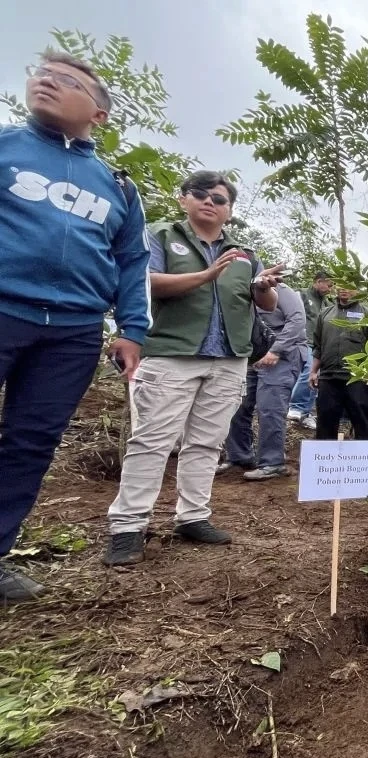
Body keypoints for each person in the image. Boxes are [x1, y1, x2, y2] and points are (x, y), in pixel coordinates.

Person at [0, 53, 150, 600]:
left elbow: (132, 262)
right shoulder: (7, 147)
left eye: (66, 81)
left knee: (31, 440)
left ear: (100, 112)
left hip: (73, 329)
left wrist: (132, 328)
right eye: (40, 75)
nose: (45, 82)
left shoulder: (116, 185)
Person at [104, 170, 283, 566]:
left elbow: (266, 306)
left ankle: (193, 516)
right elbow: (142, 282)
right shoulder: (160, 236)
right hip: (171, 354)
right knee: (152, 441)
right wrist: (205, 275)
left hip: (228, 359)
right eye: (200, 194)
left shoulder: (243, 254)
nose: (210, 202)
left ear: (229, 210)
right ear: (183, 198)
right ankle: (128, 526)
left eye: (219, 199)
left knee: (206, 443)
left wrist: (262, 285)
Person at [219, 282, 307, 480]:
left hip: (283, 355)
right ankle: (239, 456)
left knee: (270, 407)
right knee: (237, 404)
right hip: (252, 354)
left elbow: (297, 320)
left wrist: (276, 349)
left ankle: (272, 462)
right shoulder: (239, 290)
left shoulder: (282, 291)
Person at [309, 287, 368, 441]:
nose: (343, 289)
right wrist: (313, 372)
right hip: (328, 377)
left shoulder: (367, 314)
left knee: (362, 421)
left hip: (357, 378)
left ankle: (365, 461)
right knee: (325, 422)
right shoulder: (325, 314)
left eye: (349, 285)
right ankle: (325, 461)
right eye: (340, 285)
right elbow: (318, 347)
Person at [288, 271, 332, 431]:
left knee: (317, 377)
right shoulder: (302, 295)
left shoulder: (327, 304)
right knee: (307, 372)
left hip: (320, 346)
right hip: (303, 341)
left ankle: (306, 413)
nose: (330, 289)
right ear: (318, 282)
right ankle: (296, 406)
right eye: (329, 285)